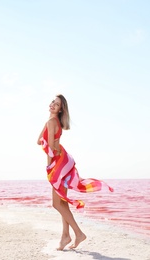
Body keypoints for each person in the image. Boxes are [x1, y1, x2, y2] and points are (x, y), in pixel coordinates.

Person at [37, 94, 113, 250]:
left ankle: (78, 233)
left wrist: (52, 165)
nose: (52, 105)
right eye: (52, 102)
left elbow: (49, 146)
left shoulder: (51, 121)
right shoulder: (54, 121)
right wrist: (47, 126)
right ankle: (65, 236)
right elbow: (41, 140)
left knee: (56, 204)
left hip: (57, 166)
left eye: (56, 105)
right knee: (62, 202)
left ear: (60, 109)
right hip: (64, 163)